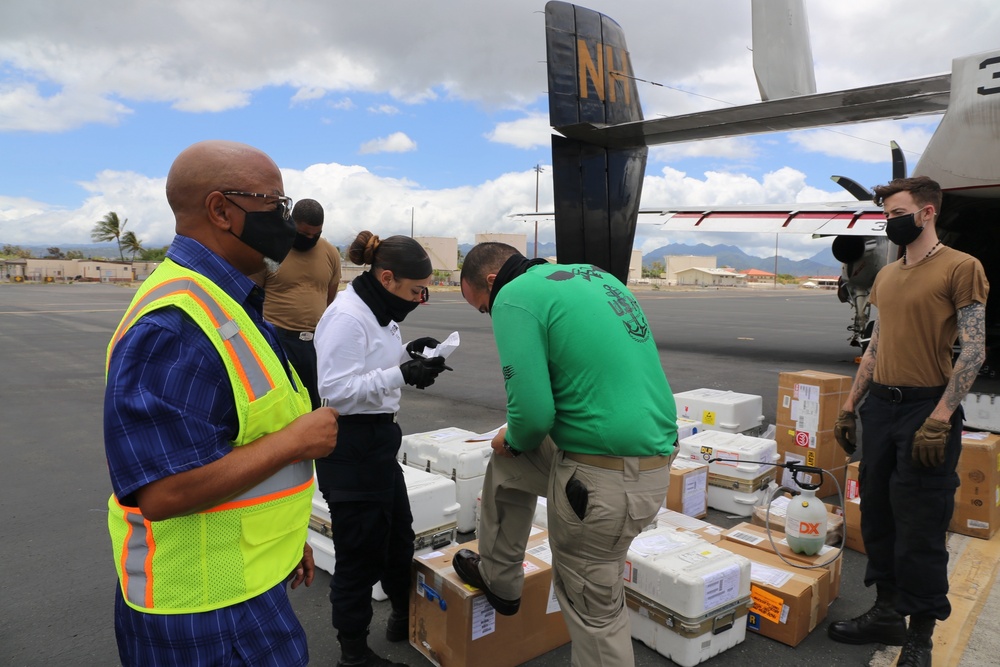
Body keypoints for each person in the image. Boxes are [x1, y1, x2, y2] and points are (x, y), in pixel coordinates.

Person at [103, 140, 339, 666]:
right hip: (202, 608)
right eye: (273, 204)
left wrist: (282, 539)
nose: (286, 218)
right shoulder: (177, 325)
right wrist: (298, 440)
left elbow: (240, 437)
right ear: (220, 210)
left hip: (246, 579)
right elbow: (164, 490)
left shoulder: (228, 298)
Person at [454, 243, 677, 667]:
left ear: (490, 281)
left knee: (595, 615)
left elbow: (534, 414)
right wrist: (514, 443)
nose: (489, 312)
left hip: (603, 482)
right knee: (508, 462)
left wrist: (514, 436)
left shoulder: (513, 296)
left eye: (483, 306)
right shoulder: (594, 276)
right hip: (648, 458)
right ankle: (499, 578)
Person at [829, 176, 988, 667]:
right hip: (881, 406)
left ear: (927, 212)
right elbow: (876, 344)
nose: (889, 221)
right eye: (886, 215)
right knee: (877, 514)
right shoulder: (887, 276)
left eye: (897, 212)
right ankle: (885, 613)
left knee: (920, 524)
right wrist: (850, 405)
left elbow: (974, 348)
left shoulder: (962, 267)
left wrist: (941, 418)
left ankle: (920, 638)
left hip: (926, 408)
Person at [314, 231, 450, 667]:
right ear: (387, 277)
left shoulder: (379, 311)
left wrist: (411, 355)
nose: (418, 299)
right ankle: (352, 652)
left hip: (378, 440)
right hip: (350, 444)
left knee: (397, 539)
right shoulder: (347, 317)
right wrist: (401, 375)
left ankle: (400, 615)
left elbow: (373, 363)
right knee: (359, 553)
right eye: (415, 290)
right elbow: (336, 390)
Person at [255, 198, 342, 409]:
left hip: (316, 343)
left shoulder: (330, 253)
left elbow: (330, 297)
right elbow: (253, 295)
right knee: (280, 405)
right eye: (304, 234)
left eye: (316, 234)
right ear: (291, 223)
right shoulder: (273, 250)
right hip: (277, 340)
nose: (310, 239)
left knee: (313, 406)